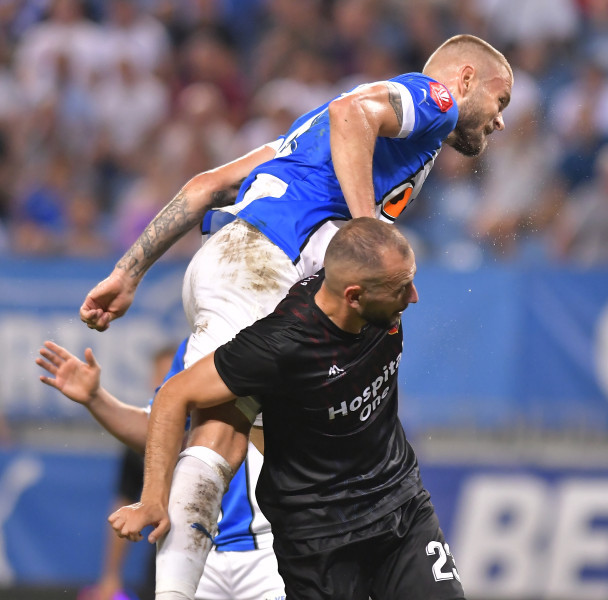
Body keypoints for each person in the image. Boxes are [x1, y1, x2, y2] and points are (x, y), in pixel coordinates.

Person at [80, 33, 512, 600]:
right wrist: (368, 229)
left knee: (236, 426)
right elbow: (350, 112)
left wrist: (130, 269)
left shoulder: (304, 139)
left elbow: (206, 186)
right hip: (261, 263)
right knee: (220, 436)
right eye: (500, 101)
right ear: (464, 80)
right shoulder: (435, 99)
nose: (500, 121)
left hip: (237, 259)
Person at [110, 218, 463, 600]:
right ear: (354, 296)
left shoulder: (377, 295)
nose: (414, 297)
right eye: (401, 288)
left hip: (400, 506)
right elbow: (173, 395)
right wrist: (152, 499)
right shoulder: (279, 345)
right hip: (318, 539)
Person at [36, 339, 285, 600]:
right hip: (197, 543)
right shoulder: (194, 347)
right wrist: (96, 399)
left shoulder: (285, 334)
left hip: (271, 543)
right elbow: (162, 434)